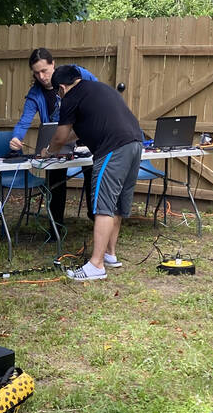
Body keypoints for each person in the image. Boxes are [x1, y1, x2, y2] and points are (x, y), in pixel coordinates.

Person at [46, 65, 143, 282]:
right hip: (135, 144)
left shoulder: (71, 97)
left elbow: (60, 137)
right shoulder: (99, 88)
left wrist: (48, 151)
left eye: (58, 92)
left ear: (61, 87)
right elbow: (79, 130)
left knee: (103, 205)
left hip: (113, 148)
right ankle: (110, 254)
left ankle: (96, 265)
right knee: (116, 203)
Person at [10, 47, 96, 234]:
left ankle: (95, 216)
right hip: (57, 143)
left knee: (92, 172)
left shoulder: (76, 73)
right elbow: (25, 120)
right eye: (36, 73)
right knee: (55, 181)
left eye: (44, 70)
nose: (41, 76)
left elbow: (97, 88)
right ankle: (55, 227)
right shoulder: (35, 94)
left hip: (83, 137)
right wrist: (16, 137)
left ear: (53, 64)